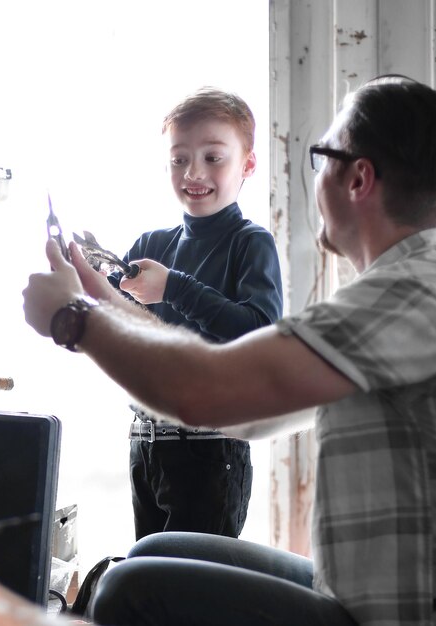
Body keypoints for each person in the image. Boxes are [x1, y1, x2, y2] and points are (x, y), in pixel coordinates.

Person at [23, 74, 436, 626]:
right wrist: (96, 295)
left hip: (384, 615)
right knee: (152, 553)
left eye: (321, 156)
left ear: (357, 177)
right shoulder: (402, 286)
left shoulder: (407, 292)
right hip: (347, 590)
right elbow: (243, 405)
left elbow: (206, 392)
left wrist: (73, 320)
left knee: (128, 587)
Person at [105, 87, 283, 540]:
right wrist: (84, 284)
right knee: (149, 586)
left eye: (213, 157)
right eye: (179, 158)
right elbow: (109, 323)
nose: (194, 172)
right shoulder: (150, 246)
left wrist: (173, 287)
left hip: (211, 451)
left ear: (248, 165)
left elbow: (259, 334)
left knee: (193, 595)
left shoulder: (250, 242)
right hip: (143, 445)